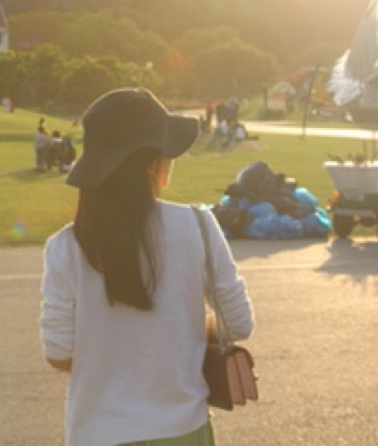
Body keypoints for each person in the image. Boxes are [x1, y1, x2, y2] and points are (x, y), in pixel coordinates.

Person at [39, 88, 254, 446]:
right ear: (152, 162)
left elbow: (58, 353)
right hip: (182, 429)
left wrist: (112, 354)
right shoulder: (198, 225)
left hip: (97, 433)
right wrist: (188, 327)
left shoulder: (64, 247)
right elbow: (239, 324)